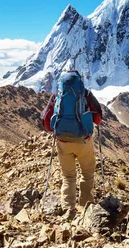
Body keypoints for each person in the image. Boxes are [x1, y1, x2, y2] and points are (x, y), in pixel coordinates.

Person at [41, 70, 103, 219]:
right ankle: (86, 208)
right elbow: (98, 119)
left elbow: (47, 124)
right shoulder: (85, 95)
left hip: (63, 142)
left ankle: (68, 209)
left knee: (68, 176)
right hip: (83, 141)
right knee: (87, 174)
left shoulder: (57, 96)